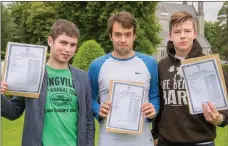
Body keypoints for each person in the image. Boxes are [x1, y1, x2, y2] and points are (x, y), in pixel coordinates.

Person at [1, 19, 95, 146]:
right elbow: (13, 112)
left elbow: (88, 121)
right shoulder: (31, 75)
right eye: (63, 43)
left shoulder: (83, 78)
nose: (68, 49)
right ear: (50, 41)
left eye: (73, 45)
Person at [151, 11, 228, 146]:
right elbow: (158, 104)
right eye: (177, 31)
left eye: (187, 31)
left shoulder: (210, 65)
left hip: (201, 142)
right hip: (166, 142)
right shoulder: (161, 66)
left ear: (195, 34)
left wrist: (219, 119)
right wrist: (155, 134)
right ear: (170, 36)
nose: (182, 36)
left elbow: (225, 111)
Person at [88, 11, 160, 146]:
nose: (123, 40)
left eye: (128, 35)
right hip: (109, 141)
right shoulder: (97, 66)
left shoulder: (150, 64)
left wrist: (153, 109)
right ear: (110, 36)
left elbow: (155, 96)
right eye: (118, 34)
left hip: (142, 141)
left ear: (134, 36)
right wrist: (98, 109)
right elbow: (89, 99)